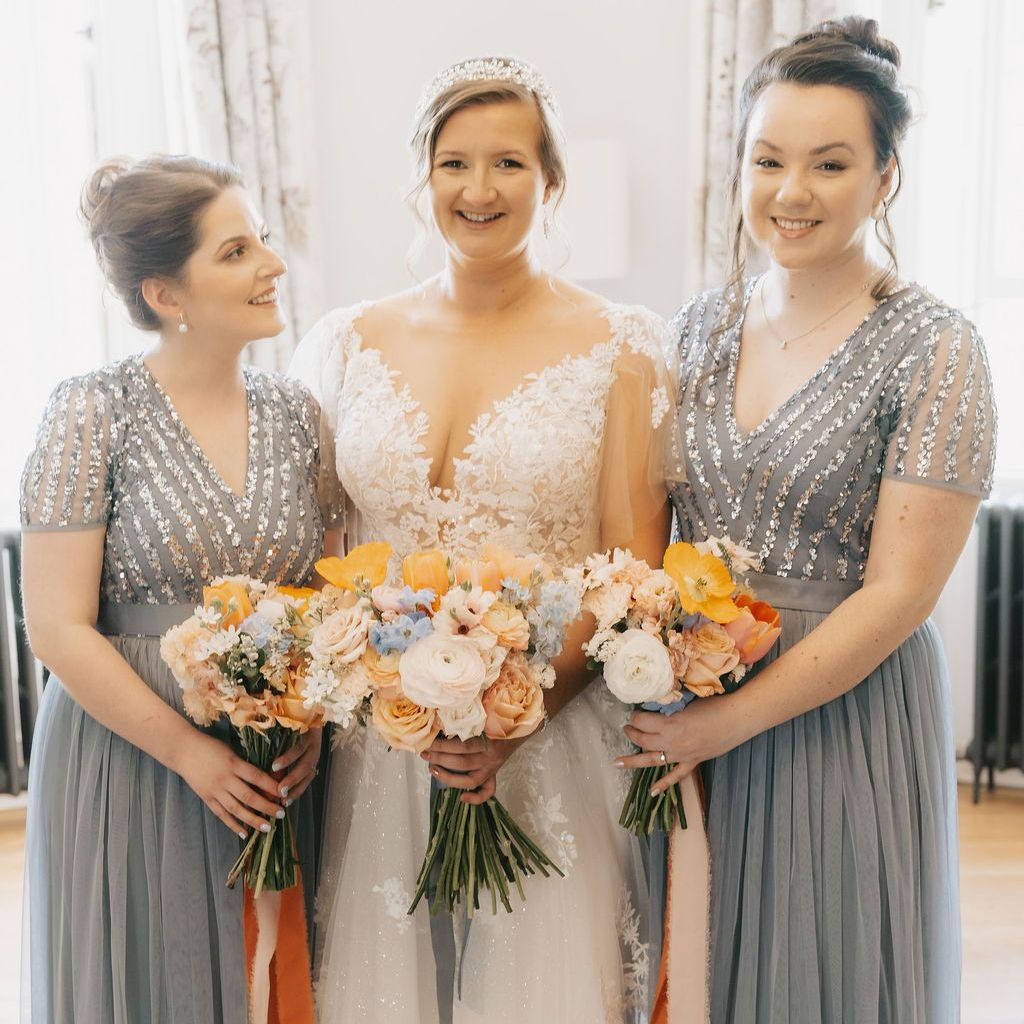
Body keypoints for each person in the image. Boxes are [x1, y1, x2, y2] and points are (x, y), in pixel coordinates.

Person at [621, 16, 997, 1023]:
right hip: (688, 695)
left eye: (829, 163)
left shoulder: (936, 347)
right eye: (768, 160)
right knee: (690, 972)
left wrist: (729, 722)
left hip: (841, 711)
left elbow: (902, 593)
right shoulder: (694, 326)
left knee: (820, 970)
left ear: (884, 178)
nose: (791, 192)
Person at [290, 57, 675, 1023]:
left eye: (508, 162)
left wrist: (520, 713)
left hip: (551, 730)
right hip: (384, 740)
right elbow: (326, 545)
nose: (479, 189)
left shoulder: (622, 347)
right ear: (423, 178)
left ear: (552, 181)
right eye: (453, 162)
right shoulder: (344, 343)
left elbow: (631, 568)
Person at [20, 155, 339, 1023]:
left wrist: (315, 717)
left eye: (261, 239)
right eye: (237, 251)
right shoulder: (92, 411)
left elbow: (329, 591)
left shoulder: (298, 414)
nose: (273, 264)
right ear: (166, 294)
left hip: (277, 763)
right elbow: (56, 625)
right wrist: (189, 753)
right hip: (135, 757)